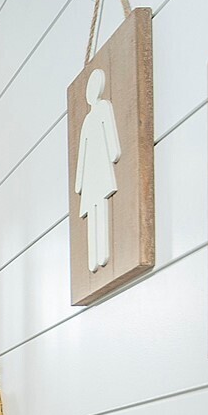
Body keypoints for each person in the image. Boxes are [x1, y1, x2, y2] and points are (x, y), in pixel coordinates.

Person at [74, 68, 122, 273]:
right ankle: (94, 258)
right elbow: (82, 151)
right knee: (94, 211)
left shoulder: (103, 108)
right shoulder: (87, 120)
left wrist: (113, 153)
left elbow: (111, 135)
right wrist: (79, 183)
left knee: (100, 207)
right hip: (92, 173)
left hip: (100, 167)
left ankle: (101, 254)